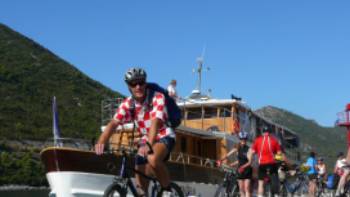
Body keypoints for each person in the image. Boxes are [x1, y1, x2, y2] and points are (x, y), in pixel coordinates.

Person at [95, 67, 176, 196]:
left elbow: (155, 122)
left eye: (141, 82)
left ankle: (167, 191)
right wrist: (102, 141)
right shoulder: (128, 104)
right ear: (128, 86)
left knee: (153, 159)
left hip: (163, 134)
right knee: (139, 164)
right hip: (146, 138)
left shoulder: (157, 97)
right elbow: (114, 123)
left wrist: (149, 144)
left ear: (145, 82)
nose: (138, 86)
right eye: (133, 83)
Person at [247, 126, 285, 197]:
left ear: (262, 132)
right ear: (270, 133)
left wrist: (250, 162)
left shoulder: (257, 140)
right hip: (272, 164)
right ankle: (276, 194)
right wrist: (279, 163)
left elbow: (251, 152)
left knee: (261, 183)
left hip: (262, 165)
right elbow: (279, 154)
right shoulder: (274, 141)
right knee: (275, 180)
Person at [217, 131, 252, 197]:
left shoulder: (249, 149)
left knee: (246, 188)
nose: (243, 141)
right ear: (240, 139)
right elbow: (228, 155)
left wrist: (243, 167)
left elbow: (250, 162)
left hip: (247, 170)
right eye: (242, 139)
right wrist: (221, 160)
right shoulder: (237, 147)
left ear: (246, 140)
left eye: (244, 139)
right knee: (241, 189)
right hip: (239, 170)